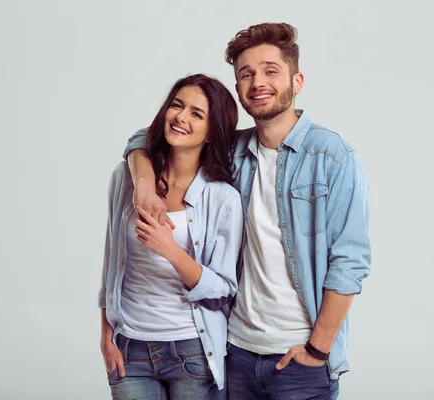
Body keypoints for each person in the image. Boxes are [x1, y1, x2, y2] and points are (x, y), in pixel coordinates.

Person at [122, 23, 371, 400]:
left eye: (271, 70)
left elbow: (350, 262)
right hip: (236, 352)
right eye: (246, 74)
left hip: (299, 359)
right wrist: (142, 180)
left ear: (297, 80)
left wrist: (318, 350)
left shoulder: (333, 157)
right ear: (238, 89)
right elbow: (152, 136)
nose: (258, 82)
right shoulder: (231, 151)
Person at [98, 73, 243, 399]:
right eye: (177, 106)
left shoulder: (222, 199)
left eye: (197, 113)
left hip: (192, 350)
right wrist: (106, 337)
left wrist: (171, 251)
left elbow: (222, 292)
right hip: (130, 349)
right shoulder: (127, 178)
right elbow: (110, 264)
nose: (181, 117)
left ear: (210, 133)